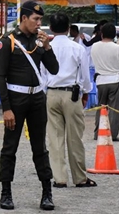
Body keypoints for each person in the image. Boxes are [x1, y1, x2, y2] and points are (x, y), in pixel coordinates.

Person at [0, 1, 59, 211]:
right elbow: (0, 76)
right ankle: (6, 192)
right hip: (16, 100)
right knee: (10, 147)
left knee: (40, 147)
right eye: (36, 19)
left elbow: (54, 69)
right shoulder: (8, 41)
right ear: (24, 18)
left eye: (40, 19)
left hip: (37, 100)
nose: (39, 24)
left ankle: (47, 193)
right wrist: (6, 108)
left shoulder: (39, 42)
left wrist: (48, 47)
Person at [46, 12, 96, 189]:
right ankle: (79, 178)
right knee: (75, 137)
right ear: (69, 28)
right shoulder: (77, 48)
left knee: (55, 136)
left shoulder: (46, 47)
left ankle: (59, 178)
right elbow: (84, 74)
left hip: (51, 93)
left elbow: (42, 74)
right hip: (72, 93)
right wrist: (86, 92)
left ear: (51, 28)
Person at [90, 23, 119, 142]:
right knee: (115, 109)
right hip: (115, 80)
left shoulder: (94, 46)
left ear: (101, 34)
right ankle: (112, 134)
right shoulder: (117, 47)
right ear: (114, 35)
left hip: (100, 81)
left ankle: (98, 132)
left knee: (101, 108)